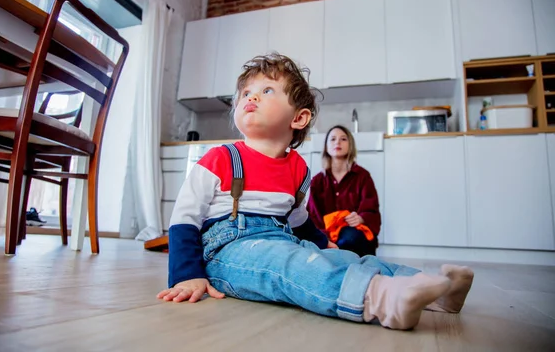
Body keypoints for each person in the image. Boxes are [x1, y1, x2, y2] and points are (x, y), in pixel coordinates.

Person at [157, 53, 474, 330]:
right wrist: (186, 274)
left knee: (342, 258)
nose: (250, 98)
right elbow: (184, 218)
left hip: (283, 240)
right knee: (291, 264)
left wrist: (326, 244)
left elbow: (298, 221)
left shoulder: (297, 170)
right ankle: (380, 300)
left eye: (267, 90)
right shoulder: (221, 158)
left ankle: (431, 287)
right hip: (227, 253)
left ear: (299, 118)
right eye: (245, 93)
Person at [307, 125, 380, 257]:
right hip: (326, 233)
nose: (338, 142)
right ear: (326, 147)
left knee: (349, 238)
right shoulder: (317, 181)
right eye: (333, 139)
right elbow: (313, 215)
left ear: (350, 145)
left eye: (343, 139)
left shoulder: (363, 176)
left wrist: (361, 218)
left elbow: (372, 208)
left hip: (354, 234)